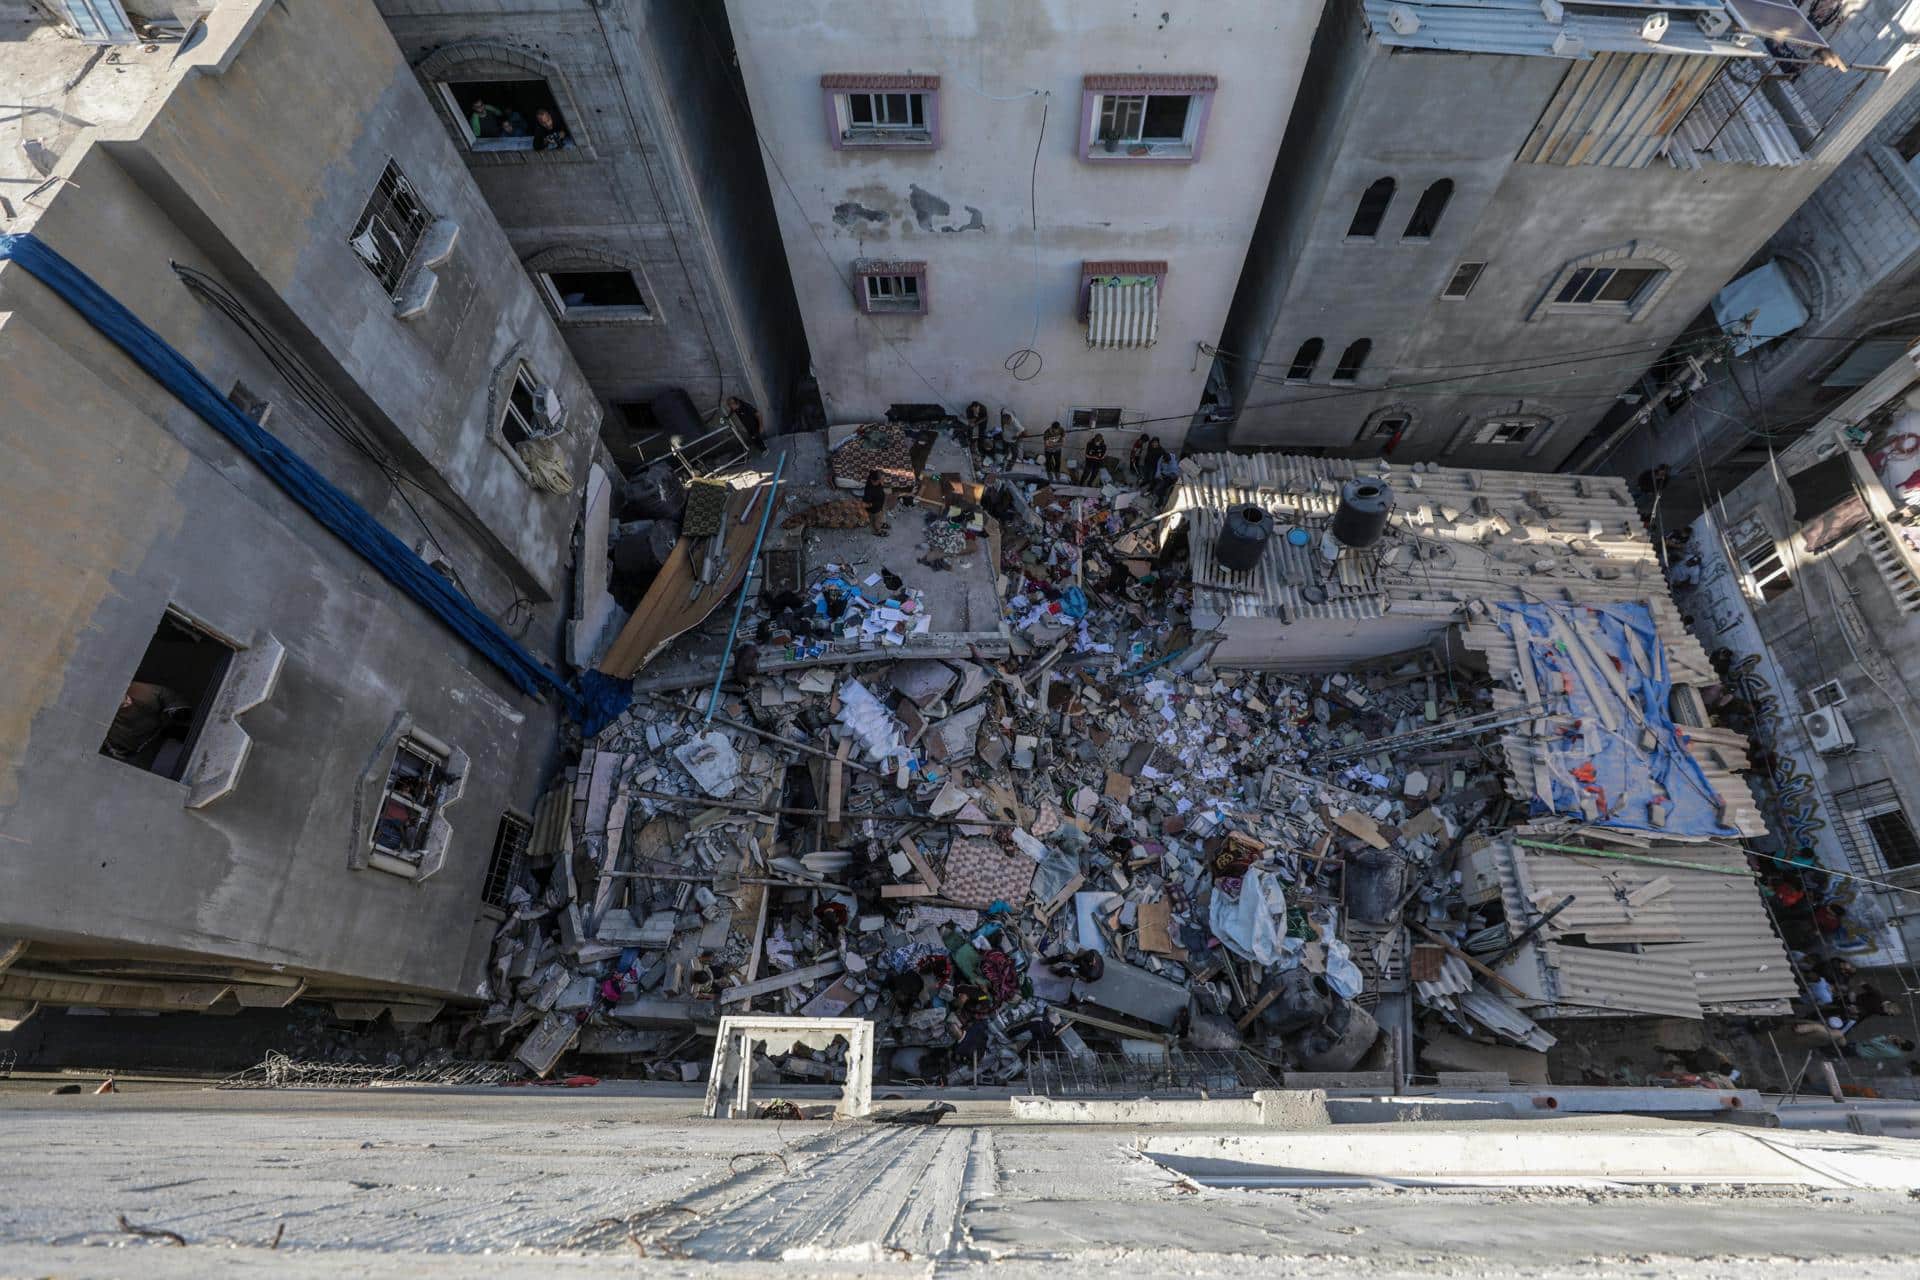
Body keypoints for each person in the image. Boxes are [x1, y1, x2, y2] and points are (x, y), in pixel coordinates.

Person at [103, 680, 184, 762]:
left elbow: (165, 695)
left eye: (127, 699)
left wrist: (175, 711)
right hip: (144, 749)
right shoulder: (113, 728)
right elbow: (118, 752)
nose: (128, 702)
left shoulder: (141, 691)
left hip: (163, 728)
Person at [862, 469, 890, 536]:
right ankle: (877, 531)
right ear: (876, 481)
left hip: (880, 505)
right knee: (877, 520)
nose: (883, 481)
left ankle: (881, 523)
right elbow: (867, 504)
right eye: (881, 480)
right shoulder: (869, 490)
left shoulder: (876, 482)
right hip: (875, 509)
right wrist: (873, 505)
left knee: (881, 516)